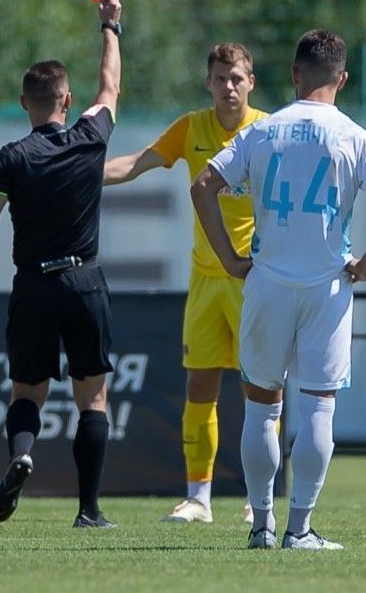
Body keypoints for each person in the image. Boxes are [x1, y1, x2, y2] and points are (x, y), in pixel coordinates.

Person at [191, 29, 366, 550]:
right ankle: (300, 528)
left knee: (261, 407)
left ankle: (261, 526)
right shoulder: (354, 137)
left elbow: (203, 186)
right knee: (317, 407)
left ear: (294, 75)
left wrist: (228, 257)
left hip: (266, 282)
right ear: (343, 79)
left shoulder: (264, 131)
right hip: (327, 287)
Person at [0, 0, 123, 529]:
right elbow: (111, 87)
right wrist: (110, 28)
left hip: (33, 284)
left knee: (27, 391)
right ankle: (89, 510)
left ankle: (20, 456)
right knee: (92, 397)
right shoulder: (89, 137)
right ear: (66, 100)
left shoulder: (11, 156)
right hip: (84, 280)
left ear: (25, 103)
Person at [103, 43, 269, 525]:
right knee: (199, 387)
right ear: (209, 82)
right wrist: (78, 171)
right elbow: (138, 162)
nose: (229, 86)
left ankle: (258, 494)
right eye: (220, 78)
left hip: (252, 280)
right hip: (205, 280)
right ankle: (199, 497)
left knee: (261, 391)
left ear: (251, 81)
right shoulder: (191, 128)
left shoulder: (267, 129)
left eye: (237, 77)